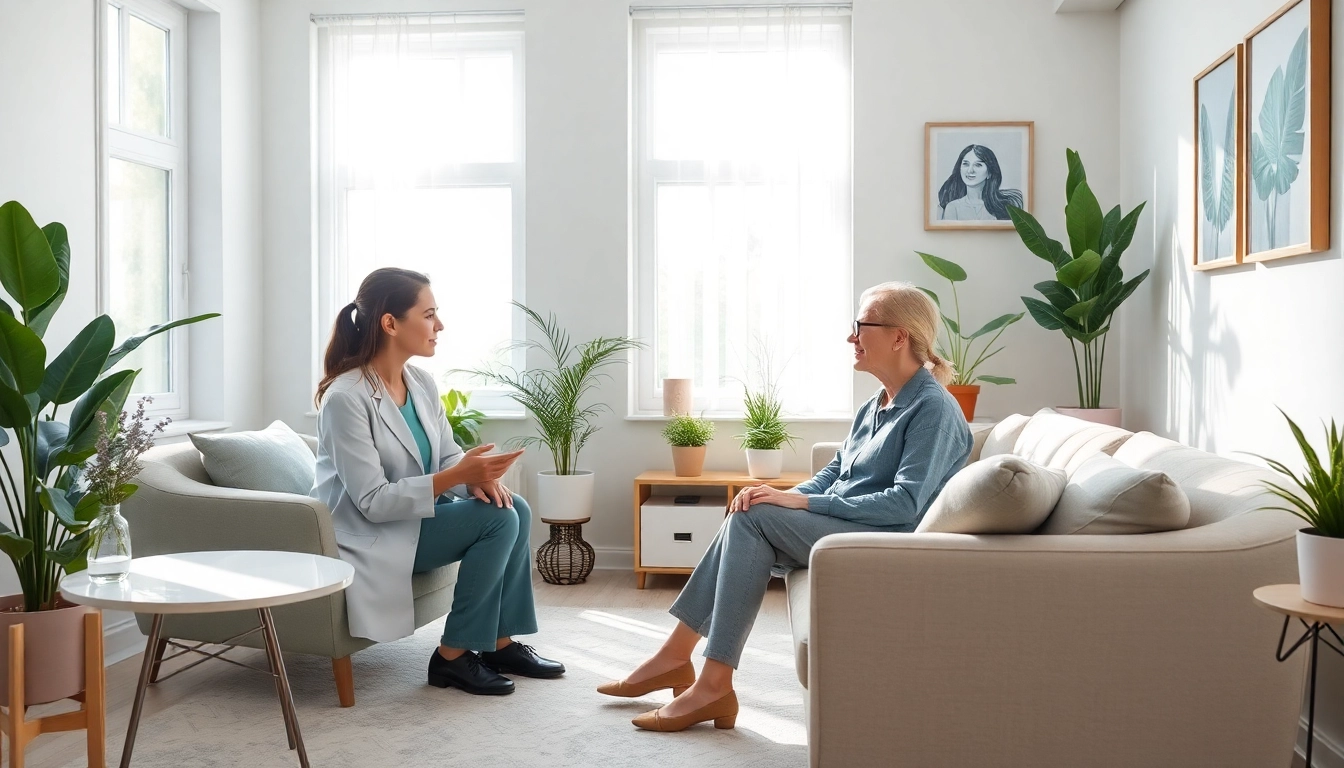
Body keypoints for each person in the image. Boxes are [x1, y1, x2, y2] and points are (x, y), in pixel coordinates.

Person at [598, 282, 973, 732]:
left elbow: (905, 504)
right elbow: (836, 470)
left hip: (886, 539)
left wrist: (801, 502)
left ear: (899, 337)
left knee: (753, 520)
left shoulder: (933, 409)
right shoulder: (877, 402)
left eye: (860, 327)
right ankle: (687, 667)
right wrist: (779, 493)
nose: (851, 337)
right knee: (750, 512)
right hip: (845, 523)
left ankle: (693, 670)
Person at [311, 267, 564, 697]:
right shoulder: (345, 399)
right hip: (371, 535)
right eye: (429, 315)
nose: (439, 326)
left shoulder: (421, 383)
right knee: (499, 521)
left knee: (512, 506)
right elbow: (372, 501)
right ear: (390, 323)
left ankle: (499, 644)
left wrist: (477, 478)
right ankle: (452, 656)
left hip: (413, 520)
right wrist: (456, 476)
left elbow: (446, 455)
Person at [937, 143, 1024, 221]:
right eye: (965, 164)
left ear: (990, 173)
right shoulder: (953, 207)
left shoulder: (1004, 207)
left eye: (978, 165)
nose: (970, 170)